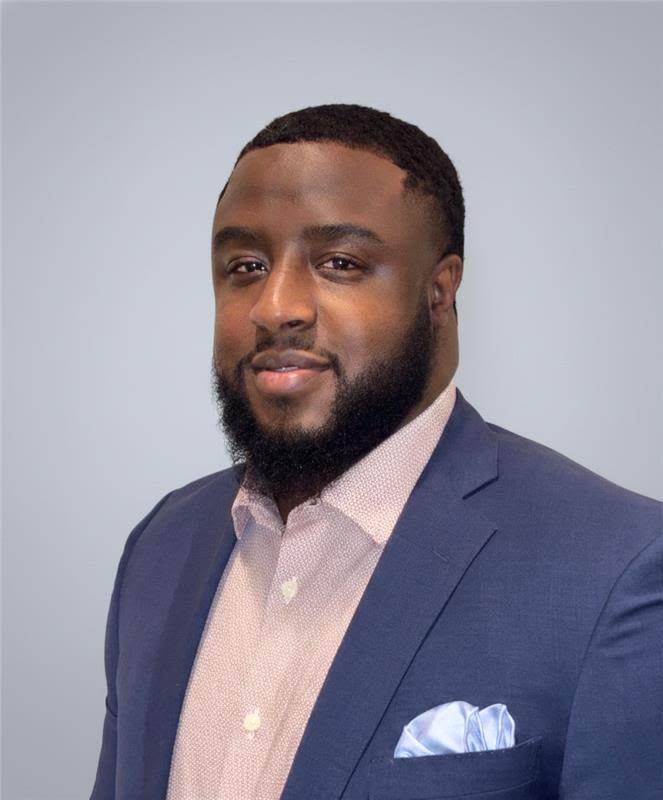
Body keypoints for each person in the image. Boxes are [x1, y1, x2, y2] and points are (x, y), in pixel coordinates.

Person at [90, 105, 663, 800]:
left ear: (439, 290)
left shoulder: (616, 568)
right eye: (244, 265)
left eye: (339, 263)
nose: (275, 306)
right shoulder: (160, 547)